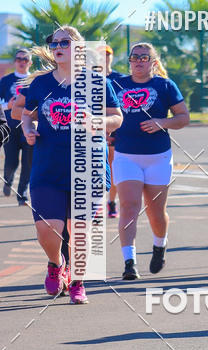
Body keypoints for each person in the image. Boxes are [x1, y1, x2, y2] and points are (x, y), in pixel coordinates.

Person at [21, 27, 122, 304]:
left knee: (79, 229)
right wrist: (28, 130)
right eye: (54, 43)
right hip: (48, 165)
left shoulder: (97, 82)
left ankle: (77, 281)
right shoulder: (41, 84)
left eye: (65, 42)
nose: (58, 47)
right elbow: (27, 115)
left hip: (87, 165)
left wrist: (98, 122)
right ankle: (56, 264)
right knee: (47, 228)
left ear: (79, 47)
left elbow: (117, 117)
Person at [111, 43, 189, 280]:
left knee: (156, 213)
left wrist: (161, 123)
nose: (138, 61)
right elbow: (107, 114)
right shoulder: (117, 85)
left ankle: (159, 245)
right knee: (129, 206)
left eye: (144, 57)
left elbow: (183, 117)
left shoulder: (165, 85)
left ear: (153, 62)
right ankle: (129, 262)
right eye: (134, 57)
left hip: (158, 157)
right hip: (126, 155)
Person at [0, 48, 33, 205]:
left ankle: (22, 194)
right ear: (15, 62)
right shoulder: (5, 81)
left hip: (29, 127)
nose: (22, 62)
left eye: (25, 59)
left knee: (28, 162)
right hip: (10, 127)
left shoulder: (34, 80)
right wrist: (9, 105)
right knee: (11, 162)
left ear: (30, 62)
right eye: (19, 59)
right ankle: (7, 181)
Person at [103, 46, 127, 219]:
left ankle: (111, 202)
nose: (104, 57)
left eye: (107, 54)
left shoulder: (120, 79)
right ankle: (94, 205)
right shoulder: (84, 77)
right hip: (91, 129)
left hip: (114, 129)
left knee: (111, 167)